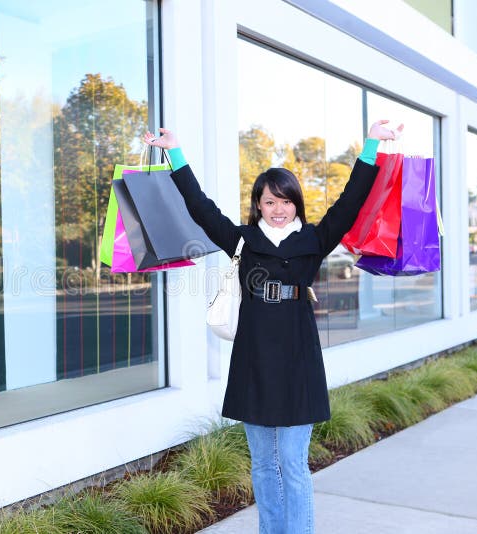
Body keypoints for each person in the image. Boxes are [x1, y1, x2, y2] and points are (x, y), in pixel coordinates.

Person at [144, 120, 402, 534]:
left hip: (298, 358)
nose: (277, 209)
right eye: (269, 202)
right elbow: (200, 207)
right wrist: (175, 153)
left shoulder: (315, 240)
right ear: (258, 205)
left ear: (296, 204)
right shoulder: (242, 240)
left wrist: (370, 145)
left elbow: (351, 201)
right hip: (254, 360)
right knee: (264, 464)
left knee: (294, 465)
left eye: (285, 201)